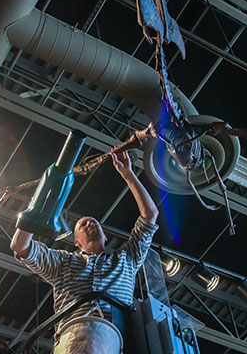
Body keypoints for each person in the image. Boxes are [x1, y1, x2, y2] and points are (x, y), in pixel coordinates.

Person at [10, 150, 159, 353]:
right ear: (77, 242)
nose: (89, 222)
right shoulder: (62, 263)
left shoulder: (127, 259)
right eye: (82, 224)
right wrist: (38, 209)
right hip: (73, 334)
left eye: (93, 221)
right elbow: (20, 247)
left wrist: (128, 174)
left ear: (105, 236)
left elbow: (150, 215)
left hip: (115, 338)